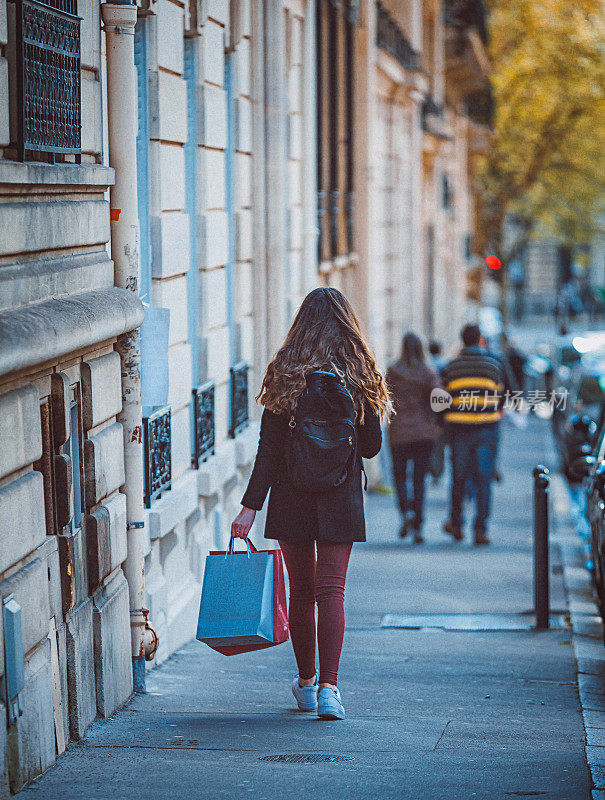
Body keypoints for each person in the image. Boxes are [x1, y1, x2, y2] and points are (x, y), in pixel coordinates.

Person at [230, 287, 391, 721]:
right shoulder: (359, 375)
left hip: (290, 495)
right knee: (331, 591)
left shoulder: (287, 373)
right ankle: (330, 689)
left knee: (301, 593)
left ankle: (305, 682)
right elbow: (373, 448)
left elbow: (268, 449)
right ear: (347, 324)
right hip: (340, 498)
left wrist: (249, 508)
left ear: (301, 324)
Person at [440, 323, 510, 546]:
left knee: (458, 478)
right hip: (487, 430)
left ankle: (457, 522)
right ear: (479, 339)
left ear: (462, 339)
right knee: (484, 479)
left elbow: (442, 400)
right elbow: (501, 398)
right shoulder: (493, 366)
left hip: (459, 430)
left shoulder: (451, 367)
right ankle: (480, 530)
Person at [387, 333, 442, 543]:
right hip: (423, 433)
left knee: (399, 476)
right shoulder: (428, 373)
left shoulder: (393, 371)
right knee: (419, 480)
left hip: (399, 432)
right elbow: (440, 398)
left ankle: (405, 513)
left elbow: (383, 396)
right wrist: (435, 419)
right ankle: (418, 525)